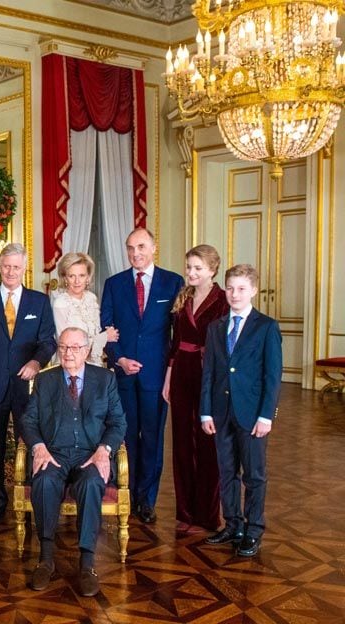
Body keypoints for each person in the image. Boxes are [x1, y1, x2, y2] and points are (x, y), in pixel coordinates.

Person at [22, 328, 125, 597]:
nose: (69, 353)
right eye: (64, 347)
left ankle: (87, 563)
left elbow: (118, 422)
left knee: (92, 483)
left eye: (76, 348)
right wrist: (39, 447)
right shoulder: (45, 381)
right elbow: (28, 421)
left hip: (90, 454)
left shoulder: (105, 379)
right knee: (43, 481)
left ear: (87, 351)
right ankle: (45, 558)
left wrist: (104, 450)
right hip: (54, 452)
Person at [0, 243, 57, 524]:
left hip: (26, 387)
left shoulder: (38, 302)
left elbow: (47, 341)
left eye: (16, 267)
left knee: (31, 442)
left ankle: (32, 499)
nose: (10, 271)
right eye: (6, 266)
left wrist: (36, 363)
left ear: (24, 268)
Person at [100, 228, 183, 525]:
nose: (136, 253)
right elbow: (105, 326)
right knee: (126, 438)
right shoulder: (114, 284)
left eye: (141, 246)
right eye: (130, 248)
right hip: (122, 374)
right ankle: (127, 493)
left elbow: (178, 333)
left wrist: (171, 372)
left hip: (155, 376)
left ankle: (146, 500)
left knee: (151, 438)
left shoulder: (173, 282)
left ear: (153, 247)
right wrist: (119, 358)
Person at [200, 264, 282, 557]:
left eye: (242, 288)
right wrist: (205, 412)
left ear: (254, 291)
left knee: (254, 475)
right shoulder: (216, 327)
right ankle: (233, 524)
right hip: (221, 413)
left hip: (252, 415)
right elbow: (208, 371)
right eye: (230, 288)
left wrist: (265, 416)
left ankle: (254, 529)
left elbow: (273, 376)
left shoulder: (266, 327)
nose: (235, 294)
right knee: (227, 471)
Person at [162, 245, 229, 532]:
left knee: (207, 445)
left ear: (212, 270)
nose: (191, 272)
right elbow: (175, 344)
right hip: (181, 374)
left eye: (198, 268)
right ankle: (185, 513)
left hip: (209, 374)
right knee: (181, 445)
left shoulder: (224, 300)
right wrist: (168, 378)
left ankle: (208, 515)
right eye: (189, 267)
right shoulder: (182, 297)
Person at [52, 252, 118, 366]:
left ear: (88, 277)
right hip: (71, 365)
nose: (77, 281)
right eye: (72, 276)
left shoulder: (91, 298)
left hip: (95, 365)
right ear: (65, 278)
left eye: (81, 275)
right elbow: (68, 346)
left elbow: (96, 333)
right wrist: (105, 337)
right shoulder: (61, 304)